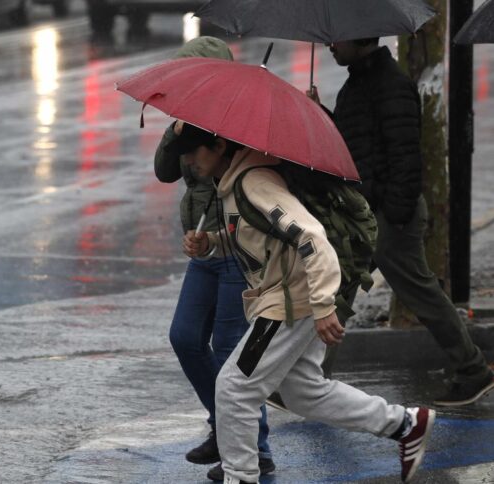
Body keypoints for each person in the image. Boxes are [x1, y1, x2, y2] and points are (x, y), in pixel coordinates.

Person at [170, 123, 435, 484]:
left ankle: (241, 477)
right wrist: (213, 244)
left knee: (234, 387)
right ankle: (404, 424)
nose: (188, 161)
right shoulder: (231, 183)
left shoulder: (254, 182)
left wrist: (324, 304)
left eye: (193, 151)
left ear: (217, 145)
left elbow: (312, 236)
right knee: (303, 392)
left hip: (290, 304)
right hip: (287, 299)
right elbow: (260, 240)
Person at [309, 38, 494, 406]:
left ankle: (473, 370)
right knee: (337, 289)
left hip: (387, 215)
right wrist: (320, 115)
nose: (331, 45)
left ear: (362, 39)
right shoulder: (359, 81)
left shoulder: (390, 84)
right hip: (367, 212)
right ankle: (309, 380)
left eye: (339, 38)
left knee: (420, 293)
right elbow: (353, 145)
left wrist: (392, 214)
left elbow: (406, 158)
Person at [154, 36, 275, 480]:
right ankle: (224, 427)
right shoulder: (189, 125)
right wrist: (176, 130)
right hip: (204, 250)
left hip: (238, 254)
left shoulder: (241, 121)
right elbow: (165, 171)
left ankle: (252, 448)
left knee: (230, 355)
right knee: (185, 337)